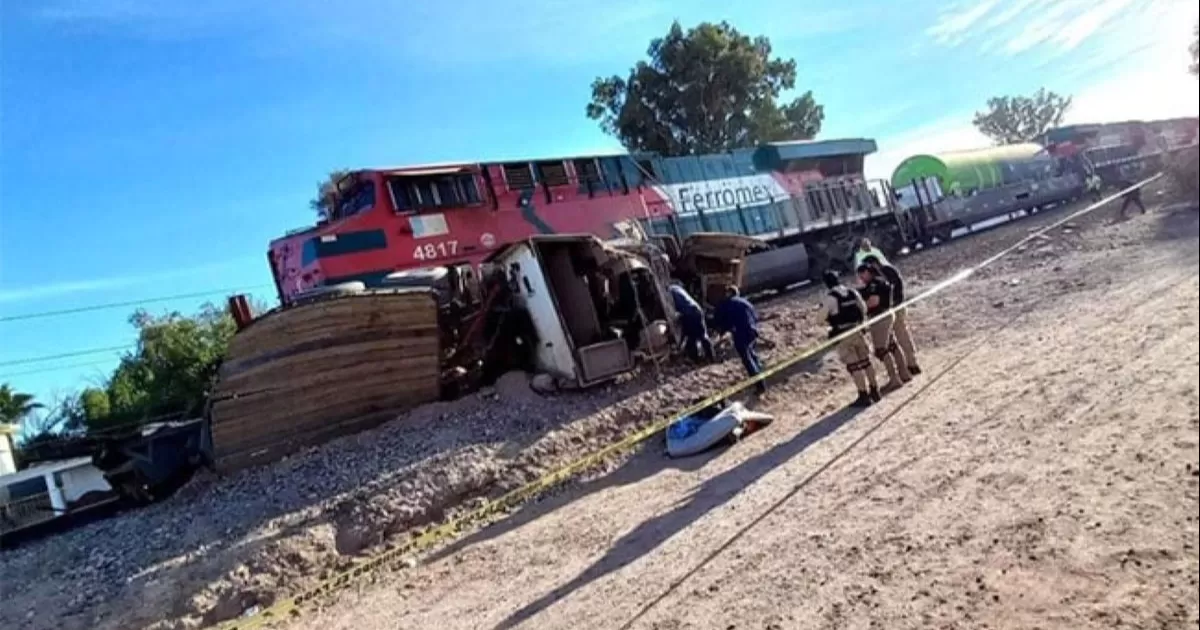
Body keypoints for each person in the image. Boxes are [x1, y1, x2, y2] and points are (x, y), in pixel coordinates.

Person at [818, 270, 881, 407]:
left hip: (843, 334)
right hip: (857, 330)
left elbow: (819, 319)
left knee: (854, 366)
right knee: (866, 362)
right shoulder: (852, 292)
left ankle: (863, 395)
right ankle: (875, 390)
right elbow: (863, 309)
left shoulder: (829, 298)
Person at [862, 255, 921, 375]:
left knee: (901, 336)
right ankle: (906, 366)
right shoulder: (885, 272)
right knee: (895, 339)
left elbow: (890, 291)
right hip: (892, 309)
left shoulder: (886, 273)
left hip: (895, 308)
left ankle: (911, 364)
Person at [857, 263, 912, 389]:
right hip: (886, 315)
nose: (861, 278)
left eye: (862, 275)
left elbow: (873, 302)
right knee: (892, 346)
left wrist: (861, 305)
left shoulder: (874, 284)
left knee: (881, 350)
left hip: (880, 318)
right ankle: (904, 373)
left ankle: (894, 379)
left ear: (867, 272)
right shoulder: (880, 281)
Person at [713, 285, 766, 393]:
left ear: (729, 293)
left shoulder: (727, 303)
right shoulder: (746, 302)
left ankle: (759, 385)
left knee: (747, 360)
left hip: (740, 333)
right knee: (751, 354)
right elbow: (755, 317)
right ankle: (760, 373)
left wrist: (721, 331)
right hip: (752, 332)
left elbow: (722, 320)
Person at [668, 282, 714, 363]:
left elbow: (676, 307)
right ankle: (709, 356)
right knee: (700, 335)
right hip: (695, 311)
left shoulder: (671, 292)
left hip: (690, 313)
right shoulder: (678, 289)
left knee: (694, 337)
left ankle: (696, 358)